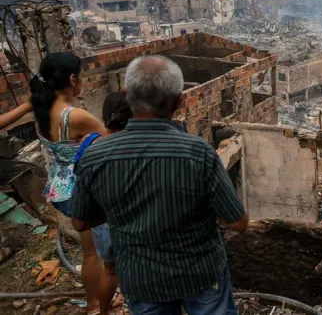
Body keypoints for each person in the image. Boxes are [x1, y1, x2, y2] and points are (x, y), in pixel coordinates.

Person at [69, 55, 249, 315]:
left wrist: (122, 207)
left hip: (141, 279)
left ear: (125, 94)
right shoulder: (198, 152)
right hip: (200, 274)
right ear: (178, 100)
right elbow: (238, 223)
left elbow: (80, 222)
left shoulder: (95, 156)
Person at [29, 52, 108, 315]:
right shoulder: (74, 116)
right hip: (81, 191)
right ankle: (98, 306)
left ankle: (93, 302)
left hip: (59, 189)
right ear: (73, 79)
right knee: (97, 253)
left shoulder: (41, 108)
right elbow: (111, 142)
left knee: (90, 252)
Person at [74, 92, 132, 315]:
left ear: (103, 116)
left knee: (109, 270)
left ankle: (104, 310)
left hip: (100, 221)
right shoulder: (130, 147)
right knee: (131, 266)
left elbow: (80, 176)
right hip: (126, 219)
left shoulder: (89, 142)